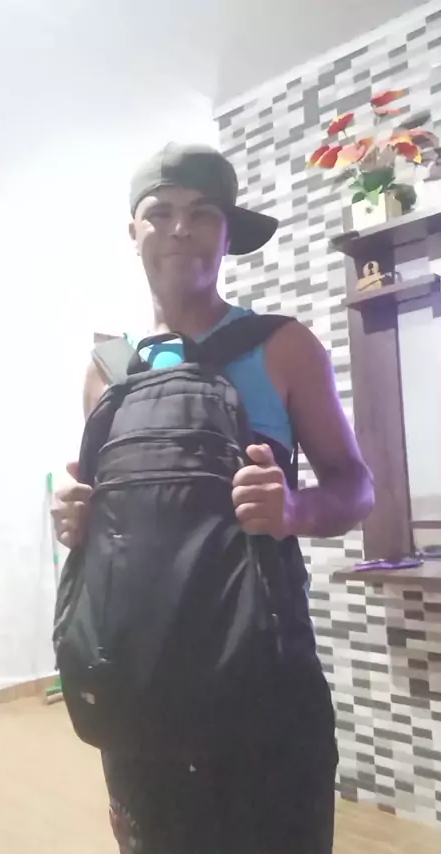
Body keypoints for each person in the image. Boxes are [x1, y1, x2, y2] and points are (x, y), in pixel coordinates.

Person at [52, 142, 374, 854]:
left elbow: (357, 487)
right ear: (133, 231)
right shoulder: (107, 370)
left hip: (264, 696)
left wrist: (294, 511)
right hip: (136, 694)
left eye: (202, 214)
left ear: (228, 234)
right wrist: (75, 516)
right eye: (160, 212)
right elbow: (104, 513)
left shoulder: (284, 347)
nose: (180, 228)